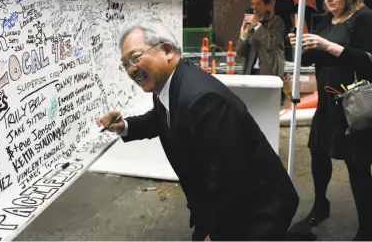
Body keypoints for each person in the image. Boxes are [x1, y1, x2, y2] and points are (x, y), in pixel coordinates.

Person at [96, 20, 299, 241]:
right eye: (125, 64)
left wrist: (218, 235)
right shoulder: (170, 84)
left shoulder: (202, 99)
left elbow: (228, 180)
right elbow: (161, 117)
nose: (131, 69)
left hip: (257, 211)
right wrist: (125, 126)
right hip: (225, 205)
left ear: (167, 50)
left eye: (135, 58)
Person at [288, 0, 372, 241]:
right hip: (327, 103)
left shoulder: (364, 18)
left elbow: (367, 60)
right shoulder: (325, 21)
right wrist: (299, 44)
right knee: (318, 154)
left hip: (353, 104)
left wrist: (328, 45)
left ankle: (367, 226)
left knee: (357, 165)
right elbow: (313, 57)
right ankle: (320, 205)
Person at [236, 0, 286, 77]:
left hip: (269, 72)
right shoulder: (250, 23)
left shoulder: (276, 21)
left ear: (266, 5)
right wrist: (243, 38)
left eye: (258, 4)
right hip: (250, 72)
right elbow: (241, 54)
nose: (255, 7)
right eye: (252, 4)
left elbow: (270, 44)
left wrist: (257, 25)